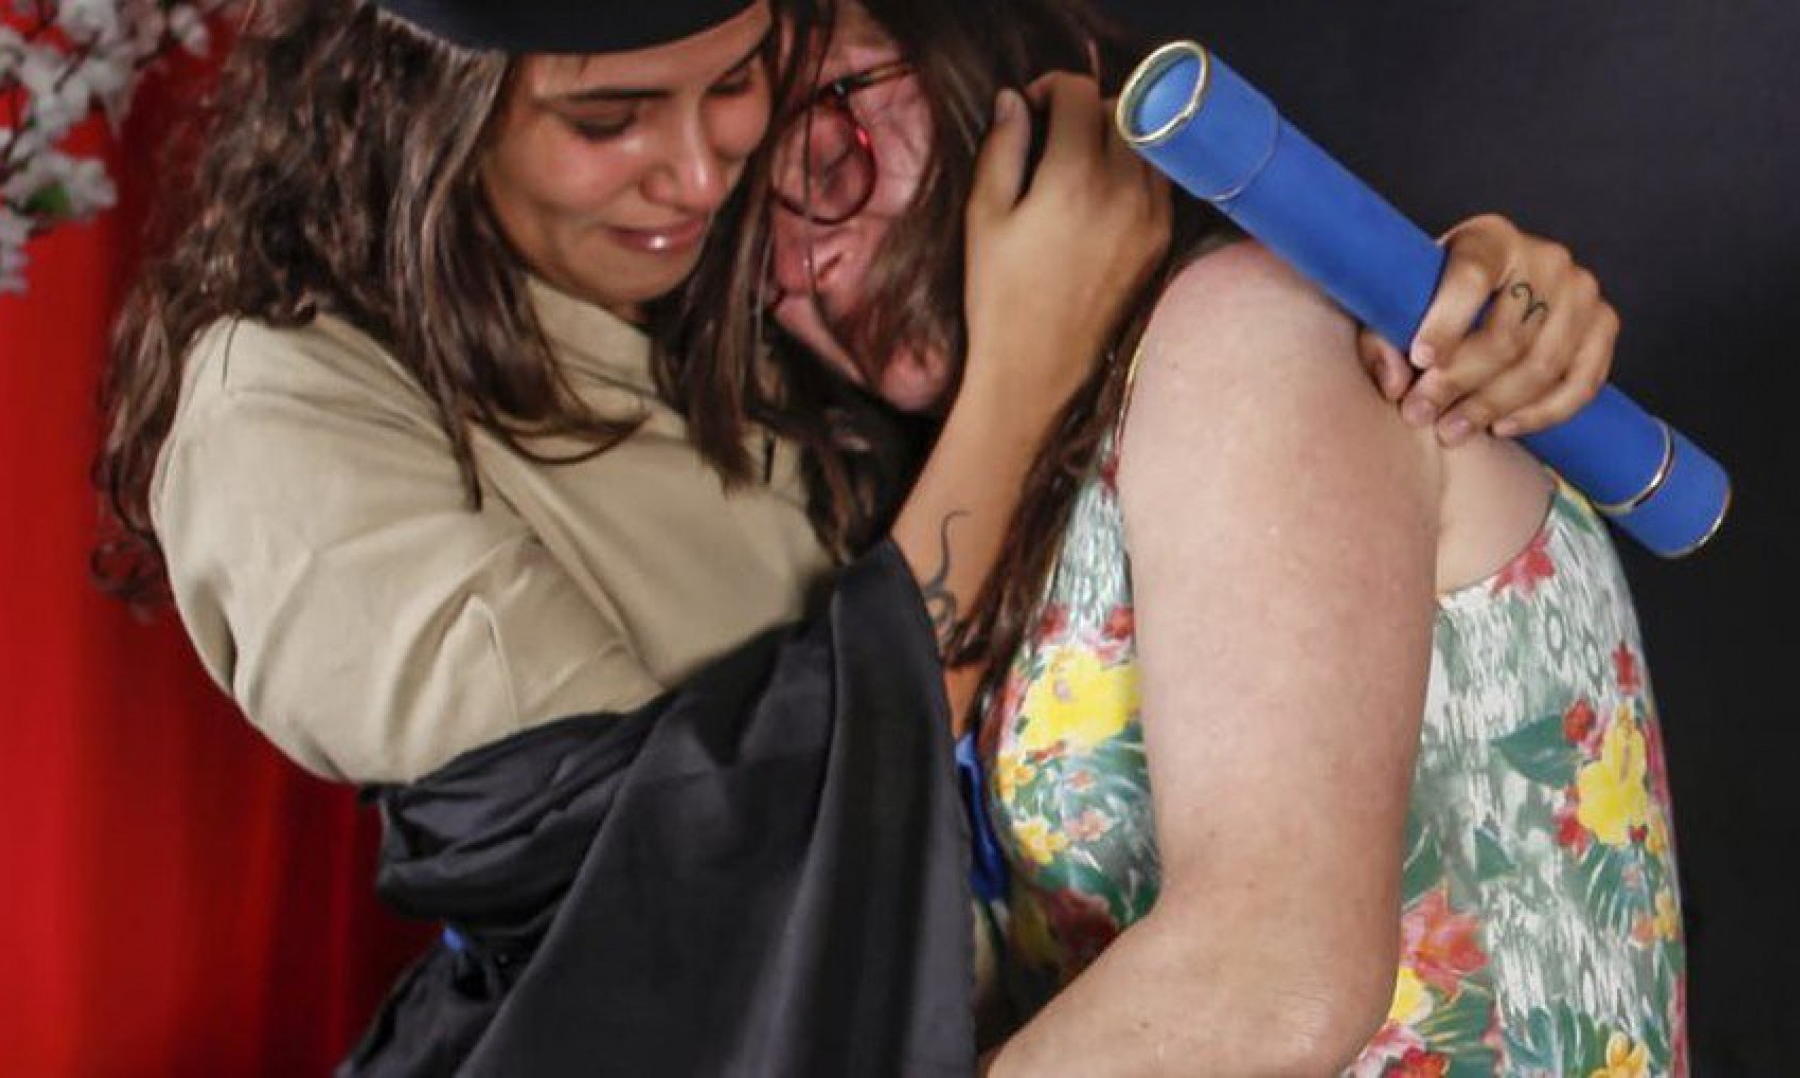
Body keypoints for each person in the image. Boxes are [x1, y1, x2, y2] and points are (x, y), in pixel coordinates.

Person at [95, 0, 1173, 1070]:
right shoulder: (283, 408)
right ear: (423, 104)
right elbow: (682, 876)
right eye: (610, 120)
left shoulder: (735, 276)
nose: (700, 178)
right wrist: (1023, 384)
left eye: (737, 84)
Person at [738, 0, 1685, 1073]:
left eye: (829, 147)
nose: (805, 266)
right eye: (747, 244)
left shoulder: (1245, 330)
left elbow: (1270, 976)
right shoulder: (1024, 490)